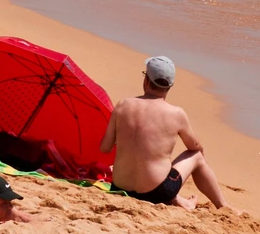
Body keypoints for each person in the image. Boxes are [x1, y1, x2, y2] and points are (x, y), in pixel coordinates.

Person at [98, 56, 230, 208]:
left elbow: (105, 148)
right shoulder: (176, 113)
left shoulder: (122, 105)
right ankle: (222, 205)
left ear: (146, 80)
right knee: (197, 156)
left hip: (119, 188)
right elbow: (195, 146)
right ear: (170, 86)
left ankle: (179, 200)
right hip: (156, 193)